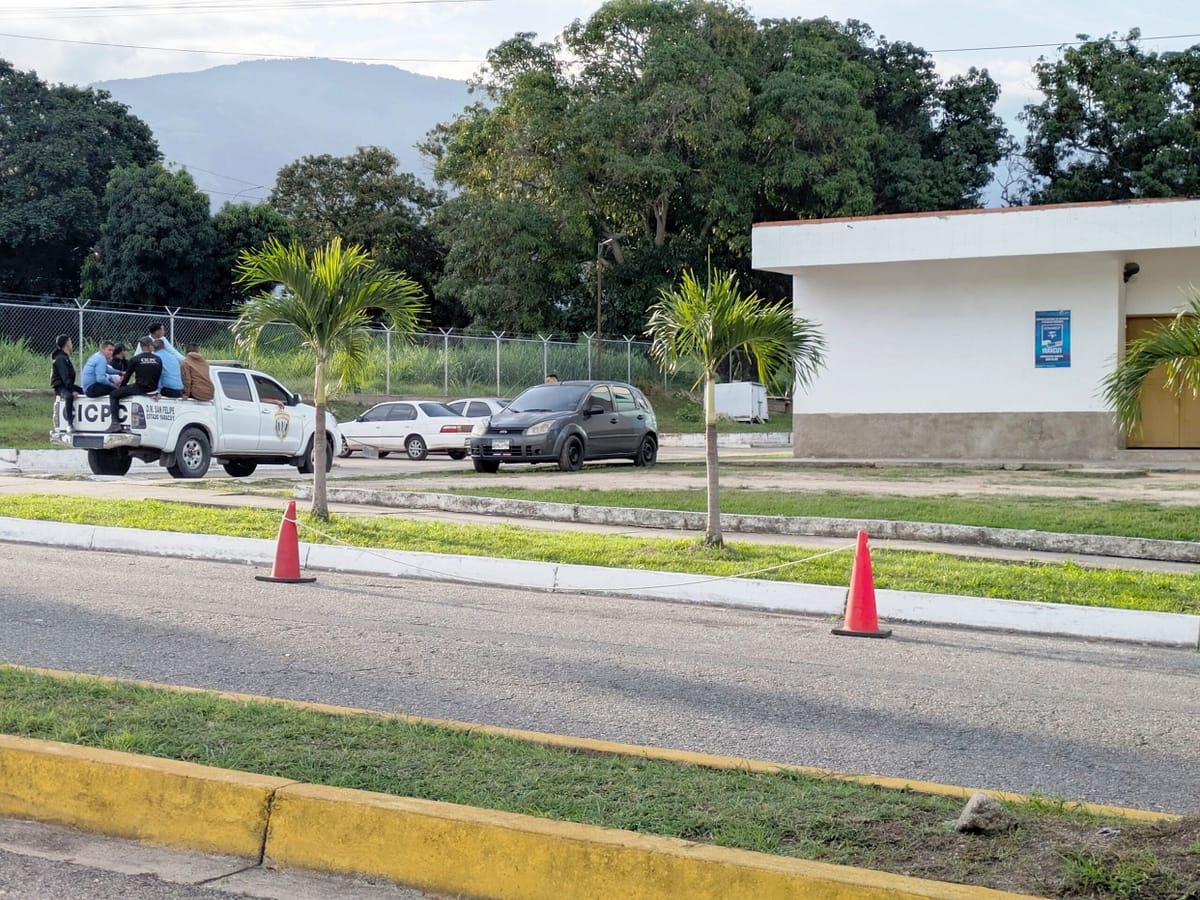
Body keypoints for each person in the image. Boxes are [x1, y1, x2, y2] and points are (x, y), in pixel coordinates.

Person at [106, 337, 163, 432]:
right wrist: (157, 391)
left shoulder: (135, 359)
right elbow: (159, 375)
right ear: (150, 346)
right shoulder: (158, 359)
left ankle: (115, 423)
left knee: (114, 395)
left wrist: (121, 387)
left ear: (141, 347)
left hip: (139, 388)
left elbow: (127, 376)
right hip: (153, 389)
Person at [50, 334, 84, 432]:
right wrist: (72, 390)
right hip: (60, 386)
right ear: (66, 344)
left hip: (67, 385)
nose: (72, 344)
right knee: (69, 396)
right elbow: (64, 377)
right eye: (70, 342)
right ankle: (70, 424)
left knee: (85, 391)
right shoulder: (60, 359)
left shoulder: (65, 357)